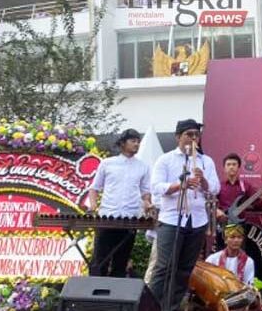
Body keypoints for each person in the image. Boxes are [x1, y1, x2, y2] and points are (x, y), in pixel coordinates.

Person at [149, 119, 221, 310]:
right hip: (172, 219)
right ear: (178, 137)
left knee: (184, 270)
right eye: (189, 134)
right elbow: (155, 187)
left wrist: (203, 181)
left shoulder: (206, 161)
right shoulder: (166, 159)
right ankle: (152, 306)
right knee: (164, 268)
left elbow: (214, 189)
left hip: (197, 221)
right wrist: (179, 185)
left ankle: (171, 307)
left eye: (196, 135)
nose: (193, 138)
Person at [88, 129, 152, 278]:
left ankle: (114, 297)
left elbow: (145, 192)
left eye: (138, 142)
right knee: (100, 259)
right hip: (107, 217)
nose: (136, 144)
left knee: (121, 261)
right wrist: (93, 206)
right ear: (122, 143)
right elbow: (94, 188)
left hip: (129, 218)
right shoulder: (107, 163)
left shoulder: (143, 166)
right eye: (133, 141)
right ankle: (94, 296)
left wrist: (147, 203)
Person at [216, 152, 262, 223]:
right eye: (228, 164)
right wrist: (217, 211)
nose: (231, 167)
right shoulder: (218, 186)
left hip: (240, 225)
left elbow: (258, 205)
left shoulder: (245, 185)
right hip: (222, 224)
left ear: (238, 167)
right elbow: (211, 204)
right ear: (224, 168)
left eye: (234, 164)